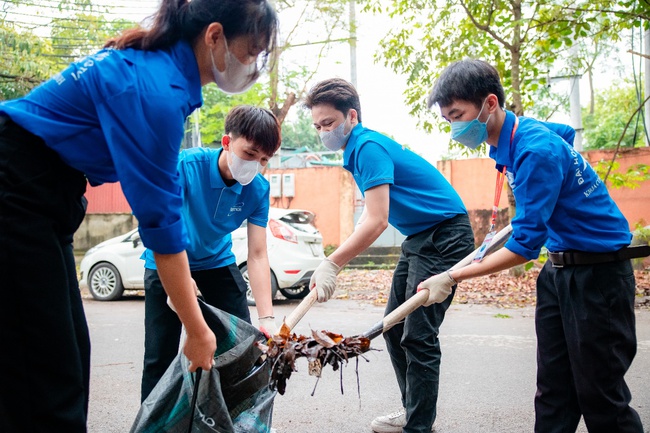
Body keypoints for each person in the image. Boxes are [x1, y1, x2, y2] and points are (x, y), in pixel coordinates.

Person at [0, 1, 278, 431]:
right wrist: (197, 328)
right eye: (252, 50)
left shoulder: (161, 75)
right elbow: (162, 226)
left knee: (67, 358)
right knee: (46, 377)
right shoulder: (155, 91)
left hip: (47, 194)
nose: (253, 66)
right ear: (215, 36)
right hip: (17, 188)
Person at [425, 58, 645, 433]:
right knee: (553, 394)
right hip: (559, 271)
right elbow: (564, 133)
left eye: (458, 115)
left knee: (601, 396)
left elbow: (525, 245)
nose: (454, 127)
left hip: (599, 275)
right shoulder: (522, 139)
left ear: (489, 103)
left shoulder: (534, 149)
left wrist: (453, 275)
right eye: (447, 120)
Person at [303, 78, 475, 433]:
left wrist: (334, 261)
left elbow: (378, 221)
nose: (323, 132)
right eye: (318, 126)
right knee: (393, 329)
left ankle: (418, 427)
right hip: (419, 238)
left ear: (351, 116)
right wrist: (334, 263)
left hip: (445, 236)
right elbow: (372, 215)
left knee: (418, 335)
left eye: (329, 124)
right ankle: (413, 413)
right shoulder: (357, 151)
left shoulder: (367, 146)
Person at [140, 105, 281, 401]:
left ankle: (237, 421)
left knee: (242, 348)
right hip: (167, 260)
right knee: (160, 356)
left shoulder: (258, 189)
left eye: (264, 160)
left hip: (217, 263)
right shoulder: (185, 167)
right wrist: (179, 280)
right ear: (227, 142)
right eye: (250, 154)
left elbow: (256, 254)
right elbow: (160, 226)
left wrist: (266, 317)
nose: (256, 165)